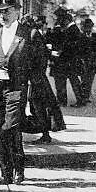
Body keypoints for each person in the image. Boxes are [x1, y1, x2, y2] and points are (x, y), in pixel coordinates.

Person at [0, 0, 39, 185]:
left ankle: (19, 167)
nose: (2, 15)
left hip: (16, 88)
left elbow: (38, 65)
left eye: (7, 11)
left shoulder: (29, 35)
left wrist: (32, 90)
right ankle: (6, 172)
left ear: (17, 11)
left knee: (11, 128)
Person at [23, 14, 59, 145]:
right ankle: (44, 133)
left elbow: (34, 56)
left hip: (36, 78)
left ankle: (45, 134)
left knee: (38, 105)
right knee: (38, 105)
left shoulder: (32, 34)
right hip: (38, 76)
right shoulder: (35, 33)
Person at [48, 6, 86, 107]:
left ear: (65, 19)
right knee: (72, 81)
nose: (58, 21)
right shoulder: (70, 29)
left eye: (59, 19)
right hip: (69, 61)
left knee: (66, 81)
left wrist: (61, 51)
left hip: (68, 61)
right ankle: (77, 100)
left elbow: (72, 45)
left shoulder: (72, 29)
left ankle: (64, 101)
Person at [79, 18, 96, 103]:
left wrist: (93, 50)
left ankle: (86, 96)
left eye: (89, 27)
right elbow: (79, 48)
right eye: (86, 27)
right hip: (84, 61)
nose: (88, 29)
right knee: (84, 80)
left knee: (90, 80)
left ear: (91, 27)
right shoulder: (81, 36)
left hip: (93, 62)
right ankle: (83, 96)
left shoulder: (95, 36)